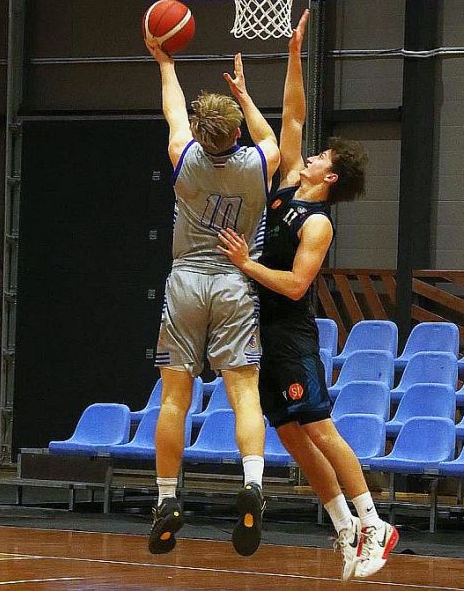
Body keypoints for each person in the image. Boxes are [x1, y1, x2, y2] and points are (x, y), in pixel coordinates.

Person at [218, 10, 398, 581]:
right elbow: (291, 114)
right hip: (259, 327)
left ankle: (375, 523)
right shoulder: (290, 180)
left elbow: (296, 284)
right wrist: (291, 55)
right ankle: (345, 530)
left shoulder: (318, 224)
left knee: (320, 429)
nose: (312, 154)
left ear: (332, 177)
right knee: (293, 439)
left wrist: (246, 264)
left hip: (291, 331)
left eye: (323, 158)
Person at [145, 38, 280, 557]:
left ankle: (165, 498)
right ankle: (251, 486)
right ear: (236, 131)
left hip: (185, 281)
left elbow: (173, 108)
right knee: (244, 392)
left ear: (201, 135)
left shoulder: (184, 159)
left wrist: (167, 63)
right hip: (234, 278)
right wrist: (245, 98)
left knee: (175, 397)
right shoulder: (258, 163)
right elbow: (274, 138)